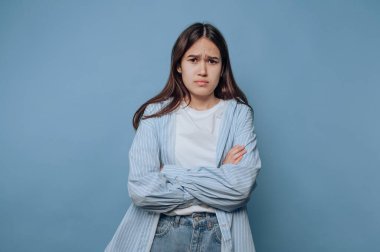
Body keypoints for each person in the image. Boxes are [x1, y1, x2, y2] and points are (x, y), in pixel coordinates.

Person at [105, 22, 262, 252]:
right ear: (179, 65)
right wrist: (218, 177)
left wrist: (169, 172)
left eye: (212, 61)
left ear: (222, 67)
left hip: (220, 234)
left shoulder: (239, 113)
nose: (203, 70)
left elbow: (239, 189)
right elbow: (142, 190)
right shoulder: (155, 114)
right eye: (193, 59)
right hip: (164, 233)